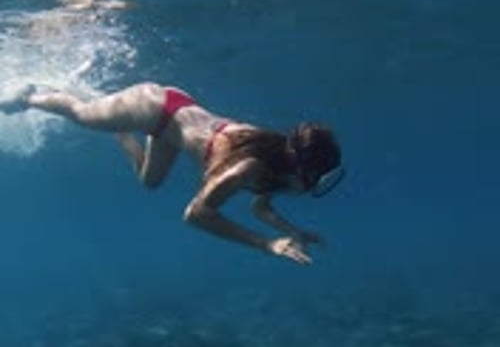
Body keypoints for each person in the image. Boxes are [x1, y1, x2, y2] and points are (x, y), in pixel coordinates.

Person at [0, 82, 344, 265]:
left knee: (149, 183)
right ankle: (31, 97)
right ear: (303, 165)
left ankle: (120, 130)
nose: (313, 186)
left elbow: (260, 207)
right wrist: (266, 244)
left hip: (172, 129)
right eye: (316, 176)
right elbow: (196, 214)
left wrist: (294, 231)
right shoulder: (249, 166)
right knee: (84, 115)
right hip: (155, 106)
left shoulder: (287, 169)